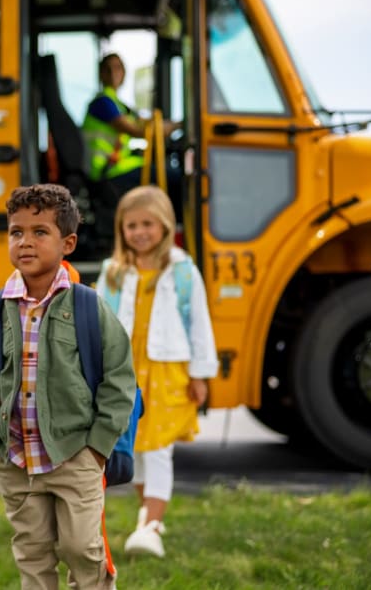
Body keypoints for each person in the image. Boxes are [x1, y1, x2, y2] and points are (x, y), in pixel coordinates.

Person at [0, 184, 136, 589]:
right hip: (17, 459)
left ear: (68, 242)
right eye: (16, 232)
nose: (25, 242)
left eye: (39, 232)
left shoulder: (87, 305)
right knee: (32, 552)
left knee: (83, 548)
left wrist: (97, 447)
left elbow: (119, 379)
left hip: (74, 454)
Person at [94, 185, 218, 558]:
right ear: (121, 229)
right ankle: (149, 520)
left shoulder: (182, 271)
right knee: (139, 448)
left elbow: (198, 323)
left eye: (148, 223)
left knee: (160, 449)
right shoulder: (112, 272)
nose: (140, 232)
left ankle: (149, 526)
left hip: (168, 371)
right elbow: (99, 322)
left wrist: (200, 374)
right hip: (126, 373)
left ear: (165, 225)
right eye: (131, 225)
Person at [82, 53, 182, 213]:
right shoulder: (102, 103)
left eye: (118, 68)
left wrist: (178, 124)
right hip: (108, 171)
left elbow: (147, 122)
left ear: (124, 74)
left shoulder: (119, 105)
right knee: (179, 180)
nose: (114, 72)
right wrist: (177, 126)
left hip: (118, 165)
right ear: (101, 74)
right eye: (108, 69)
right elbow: (138, 130)